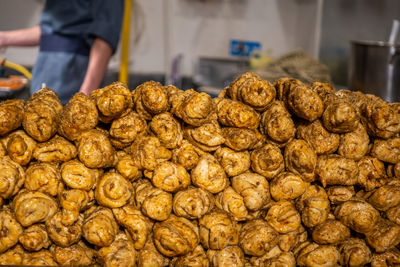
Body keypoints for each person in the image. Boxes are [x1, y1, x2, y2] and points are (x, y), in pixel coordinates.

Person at [0, 0, 124, 104]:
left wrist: (84, 96)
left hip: (72, 78)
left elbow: (104, 38)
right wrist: (4, 38)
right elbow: (50, 31)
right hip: (43, 75)